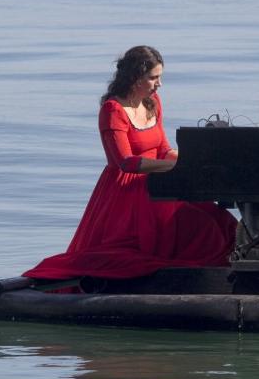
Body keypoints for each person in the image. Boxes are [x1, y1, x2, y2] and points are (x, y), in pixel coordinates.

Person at [23, 46, 238, 281]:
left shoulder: (152, 101)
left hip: (159, 181)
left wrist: (189, 160)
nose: (159, 84)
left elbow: (163, 149)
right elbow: (125, 162)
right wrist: (170, 167)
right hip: (127, 190)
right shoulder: (112, 110)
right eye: (153, 78)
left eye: (160, 77)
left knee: (218, 217)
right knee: (198, 225)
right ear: (135, 78)